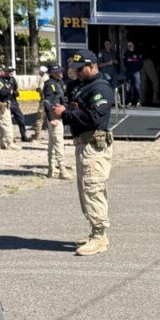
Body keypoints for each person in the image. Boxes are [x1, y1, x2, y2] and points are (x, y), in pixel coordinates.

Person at [51, 50, 114, 256]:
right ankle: (94, 231)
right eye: (75, 70)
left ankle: (99, 236)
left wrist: (67, 113)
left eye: (80, 69)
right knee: (85, 190)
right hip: (83, 144)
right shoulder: (82, 86)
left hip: (94, 146)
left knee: (93, 188)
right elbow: (79, 111)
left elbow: (95, 117)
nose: (77, 73)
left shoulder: (100, 87)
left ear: (92, 66)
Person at [41, 65, 73, 181]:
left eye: (60, 71)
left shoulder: (59, 82)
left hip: (59, 114)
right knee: (58, 142)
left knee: (52, 142)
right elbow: (46, 102)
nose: (61, 73)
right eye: (58, 72)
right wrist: (51, 118)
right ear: (52, 73)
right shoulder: (50, 84)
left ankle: (51, 168)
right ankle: (62, 169)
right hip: (54, 116)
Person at [0, 65, 17, 150]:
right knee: (7, 124)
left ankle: (0, 143)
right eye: (2, 71)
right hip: (0, 104)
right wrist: (10, 90)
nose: (4, 72)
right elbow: (3, 92)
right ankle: (10, 143)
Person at [8, 68, 30, 142]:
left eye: (12, 72)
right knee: (8, 121)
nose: (11, 73)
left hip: (14, 102)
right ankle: (10, 138)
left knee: (21, 119)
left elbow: (16, 90)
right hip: (6, 103)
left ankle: (23, 135)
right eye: (10, 71)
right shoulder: (2, 80)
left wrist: (15, 93)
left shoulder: (13, 79)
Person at [123, 40, 143, 106]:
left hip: (136, 72)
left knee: (137, 87)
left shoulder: (137, 53)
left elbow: (141, 63)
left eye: (130, 45)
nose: (129, 47)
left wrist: (137, 69)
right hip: (129, 72)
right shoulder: (126, 53)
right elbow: (125, 63)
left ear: (133, 45)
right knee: (129, 87)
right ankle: (129, 101)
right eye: (128, 46)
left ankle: (138, 101)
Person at [33, 65, 50, 142]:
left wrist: (37, 89)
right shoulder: (47, 78)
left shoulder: (43, 79)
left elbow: (41, 89)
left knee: (40, 119)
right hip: (48, 100)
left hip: (43, 100)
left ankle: (37, 135)